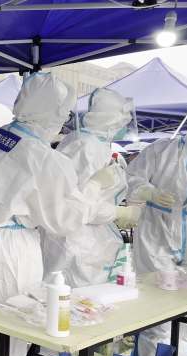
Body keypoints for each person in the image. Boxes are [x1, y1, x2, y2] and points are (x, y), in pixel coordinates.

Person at [0, 73, 139, 356]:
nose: (64, 121)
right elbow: (65, 219)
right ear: (50, 112)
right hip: (4, 250)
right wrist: (94, 188)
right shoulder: (41, 157)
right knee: (7, 338)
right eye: (62, 113)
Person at [42, 88, 135, 288]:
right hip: (78, 241)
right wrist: (116, 211)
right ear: (111, 120)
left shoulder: (90, 142)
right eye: (123, 120)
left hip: (87, 238)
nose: (125, 126)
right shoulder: (86, 147)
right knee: (78, 302)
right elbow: (76, 202)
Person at [126, 121, 187, 356]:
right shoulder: (163, 150)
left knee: (186, 318)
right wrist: (149, 192)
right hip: (157, 235)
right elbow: (131, 176)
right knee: (157, 316)